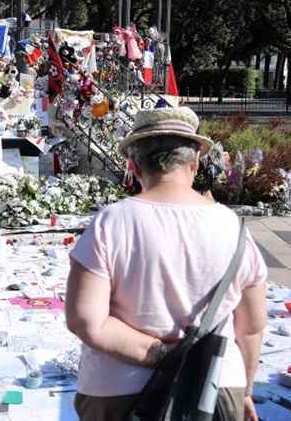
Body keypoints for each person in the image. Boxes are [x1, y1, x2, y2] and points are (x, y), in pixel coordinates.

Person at [65, 107, 267, 421]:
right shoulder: (234, 227)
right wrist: (247, 391)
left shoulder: (111, 222)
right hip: (214, 386)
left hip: (119, 390)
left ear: (133, 164)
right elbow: (251, 328)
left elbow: (86, 321)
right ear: (195, 162)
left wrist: (164, 355)